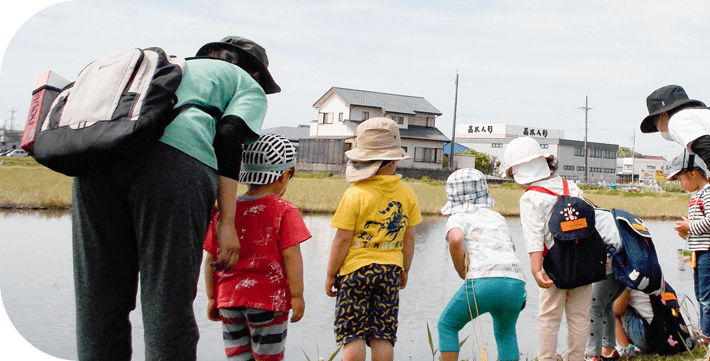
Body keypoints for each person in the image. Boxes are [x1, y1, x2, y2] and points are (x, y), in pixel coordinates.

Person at [71, 36, 279, 360]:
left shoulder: (167, 69)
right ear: (255, 74)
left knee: (98, 301)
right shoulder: (246, 84)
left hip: (96, 157)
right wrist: (227, 222)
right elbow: (228, 134)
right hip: (176, 161)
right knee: (166, 304)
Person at [203, 133, 310, 360]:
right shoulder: (283, 210)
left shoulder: (225, 212)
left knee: (237, 356)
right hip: (268, 302)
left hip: (229, 301)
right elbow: (292, 256)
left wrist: (212, 297)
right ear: (285, 175)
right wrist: (297, 296)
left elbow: (210, 258)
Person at [324, 117, 422, 361]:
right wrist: (405, 269)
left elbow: (342, 239)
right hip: (389, 271)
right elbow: (409, 238)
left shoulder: (354, 194)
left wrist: (330, 273)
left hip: (355, 272)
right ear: (394, 161)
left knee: (352, 334)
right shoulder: (406, 193)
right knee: (382, 334)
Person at [501, 136, 592, 361]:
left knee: (550, 316)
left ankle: (547, 358)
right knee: (580, 316)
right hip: (583, 260)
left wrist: (536, 269)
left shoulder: (530, 197)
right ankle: (576, 357)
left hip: (554, 264)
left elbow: (534, 236)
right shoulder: (570, 186)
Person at [436, 168, 527, 361]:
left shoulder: (457, 217)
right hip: (516, 282)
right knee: (506, 333)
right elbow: (511, 247)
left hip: (483, 282)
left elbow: (455, 238)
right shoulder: (497, 217)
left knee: (447, 325)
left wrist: (461, 269)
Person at [668, 149, 710, 338]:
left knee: (706, 296)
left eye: (681, 179)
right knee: (700, 294)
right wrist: (686, 233)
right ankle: (704, 332)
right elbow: (699, 230)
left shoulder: (707, 194)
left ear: (693, 174)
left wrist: (690, 225)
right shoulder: (695, 197)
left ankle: (706, 334)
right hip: (698, 251)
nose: (681, 184)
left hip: (707, 252)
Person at [639, 85, 710, 166]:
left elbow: (705, 147)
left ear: (664, 115)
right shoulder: (700, 115)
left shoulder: (677, 120)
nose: (657, 127)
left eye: (656, 123)